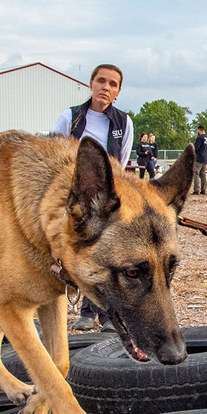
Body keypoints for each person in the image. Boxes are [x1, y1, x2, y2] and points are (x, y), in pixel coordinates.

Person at [53, 63, 134, 331]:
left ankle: (106, 314)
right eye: (101, 81)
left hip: (106, 200)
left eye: (112, 84)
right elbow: (56, 154)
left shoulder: (123, 122)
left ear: (118, 91)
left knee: (108, 254)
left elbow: (121, 163)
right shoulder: (71, 118)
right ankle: (84, 311)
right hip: (77, 198)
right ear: (91, 84)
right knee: (81, 252)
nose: (106, 87)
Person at [191, 125, 207, 195]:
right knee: (203, 174)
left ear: (199, 130)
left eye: (197, 130)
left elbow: (196, 148)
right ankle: (203, 190)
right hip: (205, 158)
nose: (197, 132)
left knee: (196, 173)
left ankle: (196, 190)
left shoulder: (200, 138)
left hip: (199, 158)